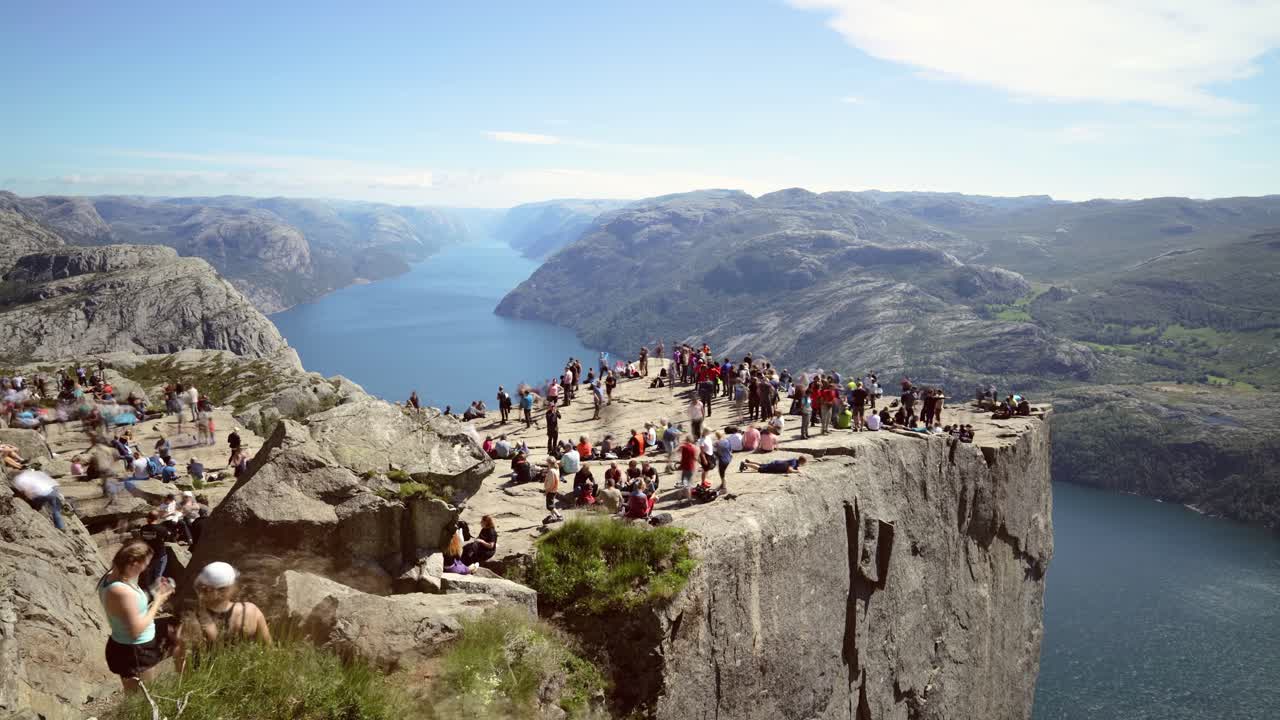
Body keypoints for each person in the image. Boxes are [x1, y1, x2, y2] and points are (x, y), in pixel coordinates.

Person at [98, 541, 179, 692]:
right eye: (146, 564)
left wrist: (154, 591)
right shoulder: (121, 591)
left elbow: (131, 606)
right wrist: (159, 601)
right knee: (144, 696)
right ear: (134, 563)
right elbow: (136, 630)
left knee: (133, 695)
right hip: (137, 650)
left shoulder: (111, 576)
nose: (146, 568)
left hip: (124, 645)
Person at [177, 562, 271, 671]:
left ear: (205, 589)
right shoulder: (251, 611)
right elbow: (268, 648)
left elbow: (183, 667)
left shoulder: (193, 620)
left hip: (207, 684)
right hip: (245, 678)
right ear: (230, 587)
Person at [677, 434, 698, 504]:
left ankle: (689, 499)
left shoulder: (684, 447)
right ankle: (685, 496)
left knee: (686, 484)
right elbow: (695, 458)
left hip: (685, 467)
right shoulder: (694, 447)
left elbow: (677, 450)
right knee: (687, 483)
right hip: (691, 467)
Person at [739, 456, 807, 474]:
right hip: (776, 466)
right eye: (804, 463)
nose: (804, 464)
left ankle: (749, 462)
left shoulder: (795, 461)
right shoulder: (794, 462)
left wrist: (798, 469)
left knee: (762, 465)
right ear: (801, 461)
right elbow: (790, 469)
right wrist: (797, 472)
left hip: (777, 463)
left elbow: (796, 467)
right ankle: (745, 464)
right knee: (760, 469)